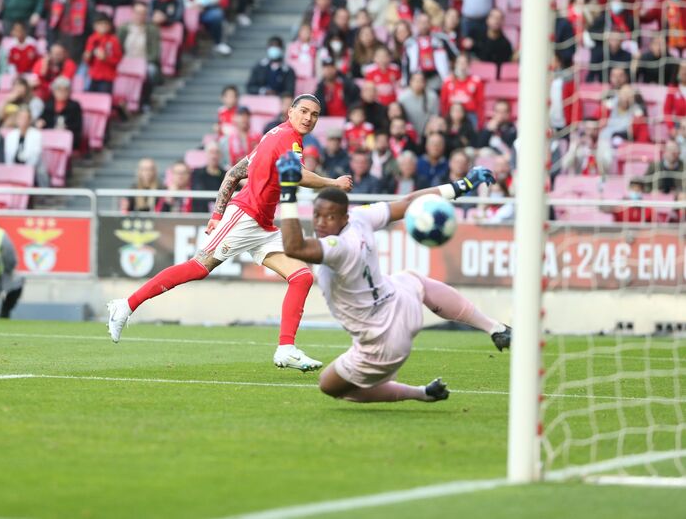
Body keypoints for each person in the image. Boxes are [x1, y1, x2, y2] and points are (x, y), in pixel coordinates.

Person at [106, 94, 355, 371]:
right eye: (304, 111)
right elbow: (296, 174)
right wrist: (334, 183)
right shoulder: (288, 138)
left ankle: (286, 349)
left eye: (315, 114)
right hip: (245, 216)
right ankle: (125, 305)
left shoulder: (274, 136)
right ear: (291, 111)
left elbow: (234, 173)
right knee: (198, 267)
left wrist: (216, 215)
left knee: (302, 277)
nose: (308, 118)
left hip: (262, 224)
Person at [275, 154, 509, 404]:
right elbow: (409, 202)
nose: (321, 223)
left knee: (329, 385)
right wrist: (462, 185)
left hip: (381, 343)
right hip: (402, 306)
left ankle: (419, 393)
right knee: (411, 279)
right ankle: (495, 328)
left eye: (329, 217)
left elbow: (294, 247)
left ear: (344, 218)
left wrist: (288, 190)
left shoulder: (338, 246)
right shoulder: (360, 217)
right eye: (317, 216)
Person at [3, 109, 49, 187]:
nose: (23, 120)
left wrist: (25, 172)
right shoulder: (11, 135)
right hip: (14, 169)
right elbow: (8, 156)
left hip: (33, 170)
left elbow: (35, 156)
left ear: (30, 120)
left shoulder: (37, 134)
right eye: (20, 117)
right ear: (16, 119)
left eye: (25, 118)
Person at [83, 15, 123, 94]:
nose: (103, 26)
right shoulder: (91, 39)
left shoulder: (113, 40)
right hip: (93, 75)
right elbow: (88, 60)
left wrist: (106, 58)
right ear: (95, 26)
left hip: (107, 77)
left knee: (104, 97)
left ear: (110, 26)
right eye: (100, 24)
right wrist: (87, 57)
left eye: (105, 24)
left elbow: (118, 59)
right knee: (90, 97)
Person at [41, 77, 83, 145]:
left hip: (68, 138)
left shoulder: (75, 106)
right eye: (59, 89)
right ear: (54, 91)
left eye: (65, 90)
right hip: (50, 136)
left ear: (69, 92)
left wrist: (66, 128)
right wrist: (40, 123)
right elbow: (43, 120)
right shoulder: (48, 105)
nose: (62, 92)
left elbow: (77, 126)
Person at [191, 142, 226, 213]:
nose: (214, 156)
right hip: (200, 212)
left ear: (221, 155)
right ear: (206, 154)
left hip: (221, 212)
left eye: (217, 152)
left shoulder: (226, 174)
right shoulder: (197, 173)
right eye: (211, 152)